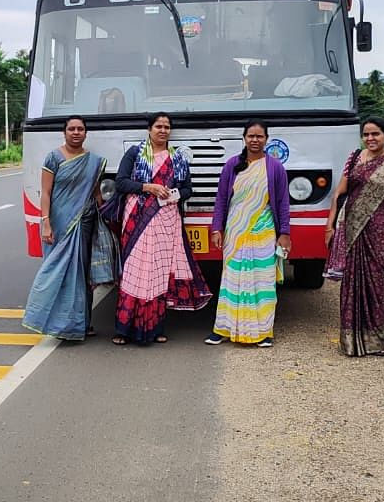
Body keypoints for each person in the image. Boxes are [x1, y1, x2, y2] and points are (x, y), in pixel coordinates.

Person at [110, 112, 212, 345]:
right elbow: (121, 182)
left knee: (157, 275)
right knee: (134, 273)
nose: (163, 130)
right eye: (158, 126)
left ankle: (155, 329)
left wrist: (173, 194)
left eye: (167, 127)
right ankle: (123, 330)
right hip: (137, 220)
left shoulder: (177, 159)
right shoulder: (135, 153)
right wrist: (149, 187)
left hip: (166, 220)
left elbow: (188, 189)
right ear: (149, 129)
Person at [323, 117, 384, 356]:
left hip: (381, 230)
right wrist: (329, 226)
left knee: (379, 284)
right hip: (352, 229)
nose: (371, 138)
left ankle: (376, 342)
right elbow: (338, 194)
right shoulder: (354, 158)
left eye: (376, 134)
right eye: (367, 134)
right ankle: (351, 341)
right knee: (352, 283)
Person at [205, 120, 291, 348]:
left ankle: (263, 332)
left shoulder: (275, 168)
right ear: (243, 138)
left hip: (263, 232)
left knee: (262, 282)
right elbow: (221, 199)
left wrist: (284, 233)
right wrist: (216, 228)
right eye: (251, 136)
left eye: (259, 136)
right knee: (231, 280)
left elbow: (283, 203)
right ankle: (223, 329)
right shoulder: (232, 165)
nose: (255, 140)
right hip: (235, 231)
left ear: (266, 139)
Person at [23, 116, 108, 340]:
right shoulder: (53, 157)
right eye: (72, 129)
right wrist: (46, 223)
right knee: (58, 272)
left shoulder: (94, 161)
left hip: (86, 222)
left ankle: (82, 323)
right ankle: (55, 322)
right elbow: (46, 193)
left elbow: (96, 193)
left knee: (82, 273)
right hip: (60, 224)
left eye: (80, 129)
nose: (76, 132)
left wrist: (107, 218)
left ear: (86, 133)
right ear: (65, 132)